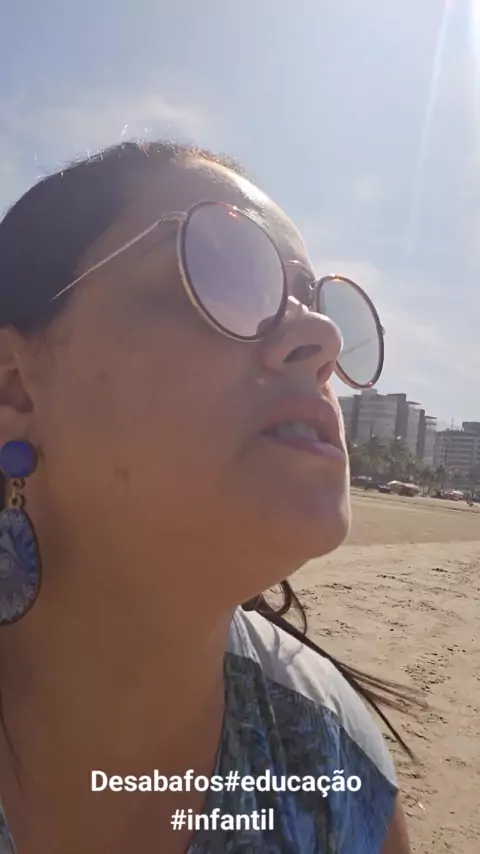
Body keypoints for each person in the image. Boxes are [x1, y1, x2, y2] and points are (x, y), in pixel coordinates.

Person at [0, 140, 414, 853]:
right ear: (16, 386)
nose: (321, 337)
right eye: (226, 270)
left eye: (317, 303)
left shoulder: (335, 774)